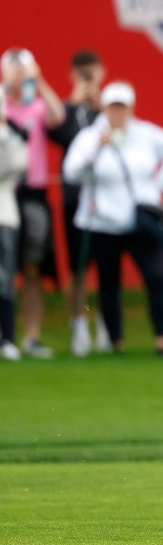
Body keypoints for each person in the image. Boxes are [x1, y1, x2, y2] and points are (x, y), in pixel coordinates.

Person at [62, 82, 163, 356]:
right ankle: (115, 341)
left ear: (130, 108)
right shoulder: (90, 137)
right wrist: (96, 148)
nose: (117, 113)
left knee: (156, 278)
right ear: (104, 108)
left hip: (140, 220)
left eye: (122, 108)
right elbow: (71, 172)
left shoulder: (144, 133)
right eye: (112, 107)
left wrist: (157, 186)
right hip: (103, 222)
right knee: (109, 283)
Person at [1, 47, 65, 359]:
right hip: (5, 191)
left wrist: (38, 81)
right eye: (13, 70)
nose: (17, 75)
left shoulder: (37, 106)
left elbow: (58, 116)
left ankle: (32, 335)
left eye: (22, 69)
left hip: (34, 193)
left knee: (32, 267)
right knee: (4, 267)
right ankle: (6, 336)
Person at [48, 49, 109, 356]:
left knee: (106, 266)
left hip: (108, 200)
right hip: (75, 199)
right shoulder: (65, 111)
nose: (87, 80)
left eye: (92, 74)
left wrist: (100, 106)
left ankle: (106, 325)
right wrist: (73, 103)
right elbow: (58, 134)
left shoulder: (109, 110)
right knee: (78, 267)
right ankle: (79, 326)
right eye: (81, 74)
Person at [0, 91, 28, 360]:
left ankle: (7, 338)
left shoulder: (12, 136)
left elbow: (17, 167)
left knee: (4, 280)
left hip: (5, 214)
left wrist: (5, 136)